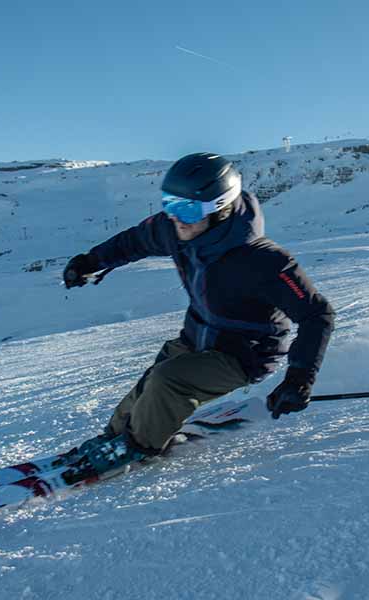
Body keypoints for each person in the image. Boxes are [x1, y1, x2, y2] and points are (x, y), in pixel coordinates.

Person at [63, 152, 334, 474]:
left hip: (244, 354)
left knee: (168, 380)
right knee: (151, 381)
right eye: (170, 204)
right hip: (197, 337)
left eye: (188, 209)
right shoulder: (177, 229)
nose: (176, 217)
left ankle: (138, 446)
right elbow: (135, 241)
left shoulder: (263, 260)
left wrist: (299, 378)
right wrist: (91, 262)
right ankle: (114, 438)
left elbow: (317, 315)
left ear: (220, 208)